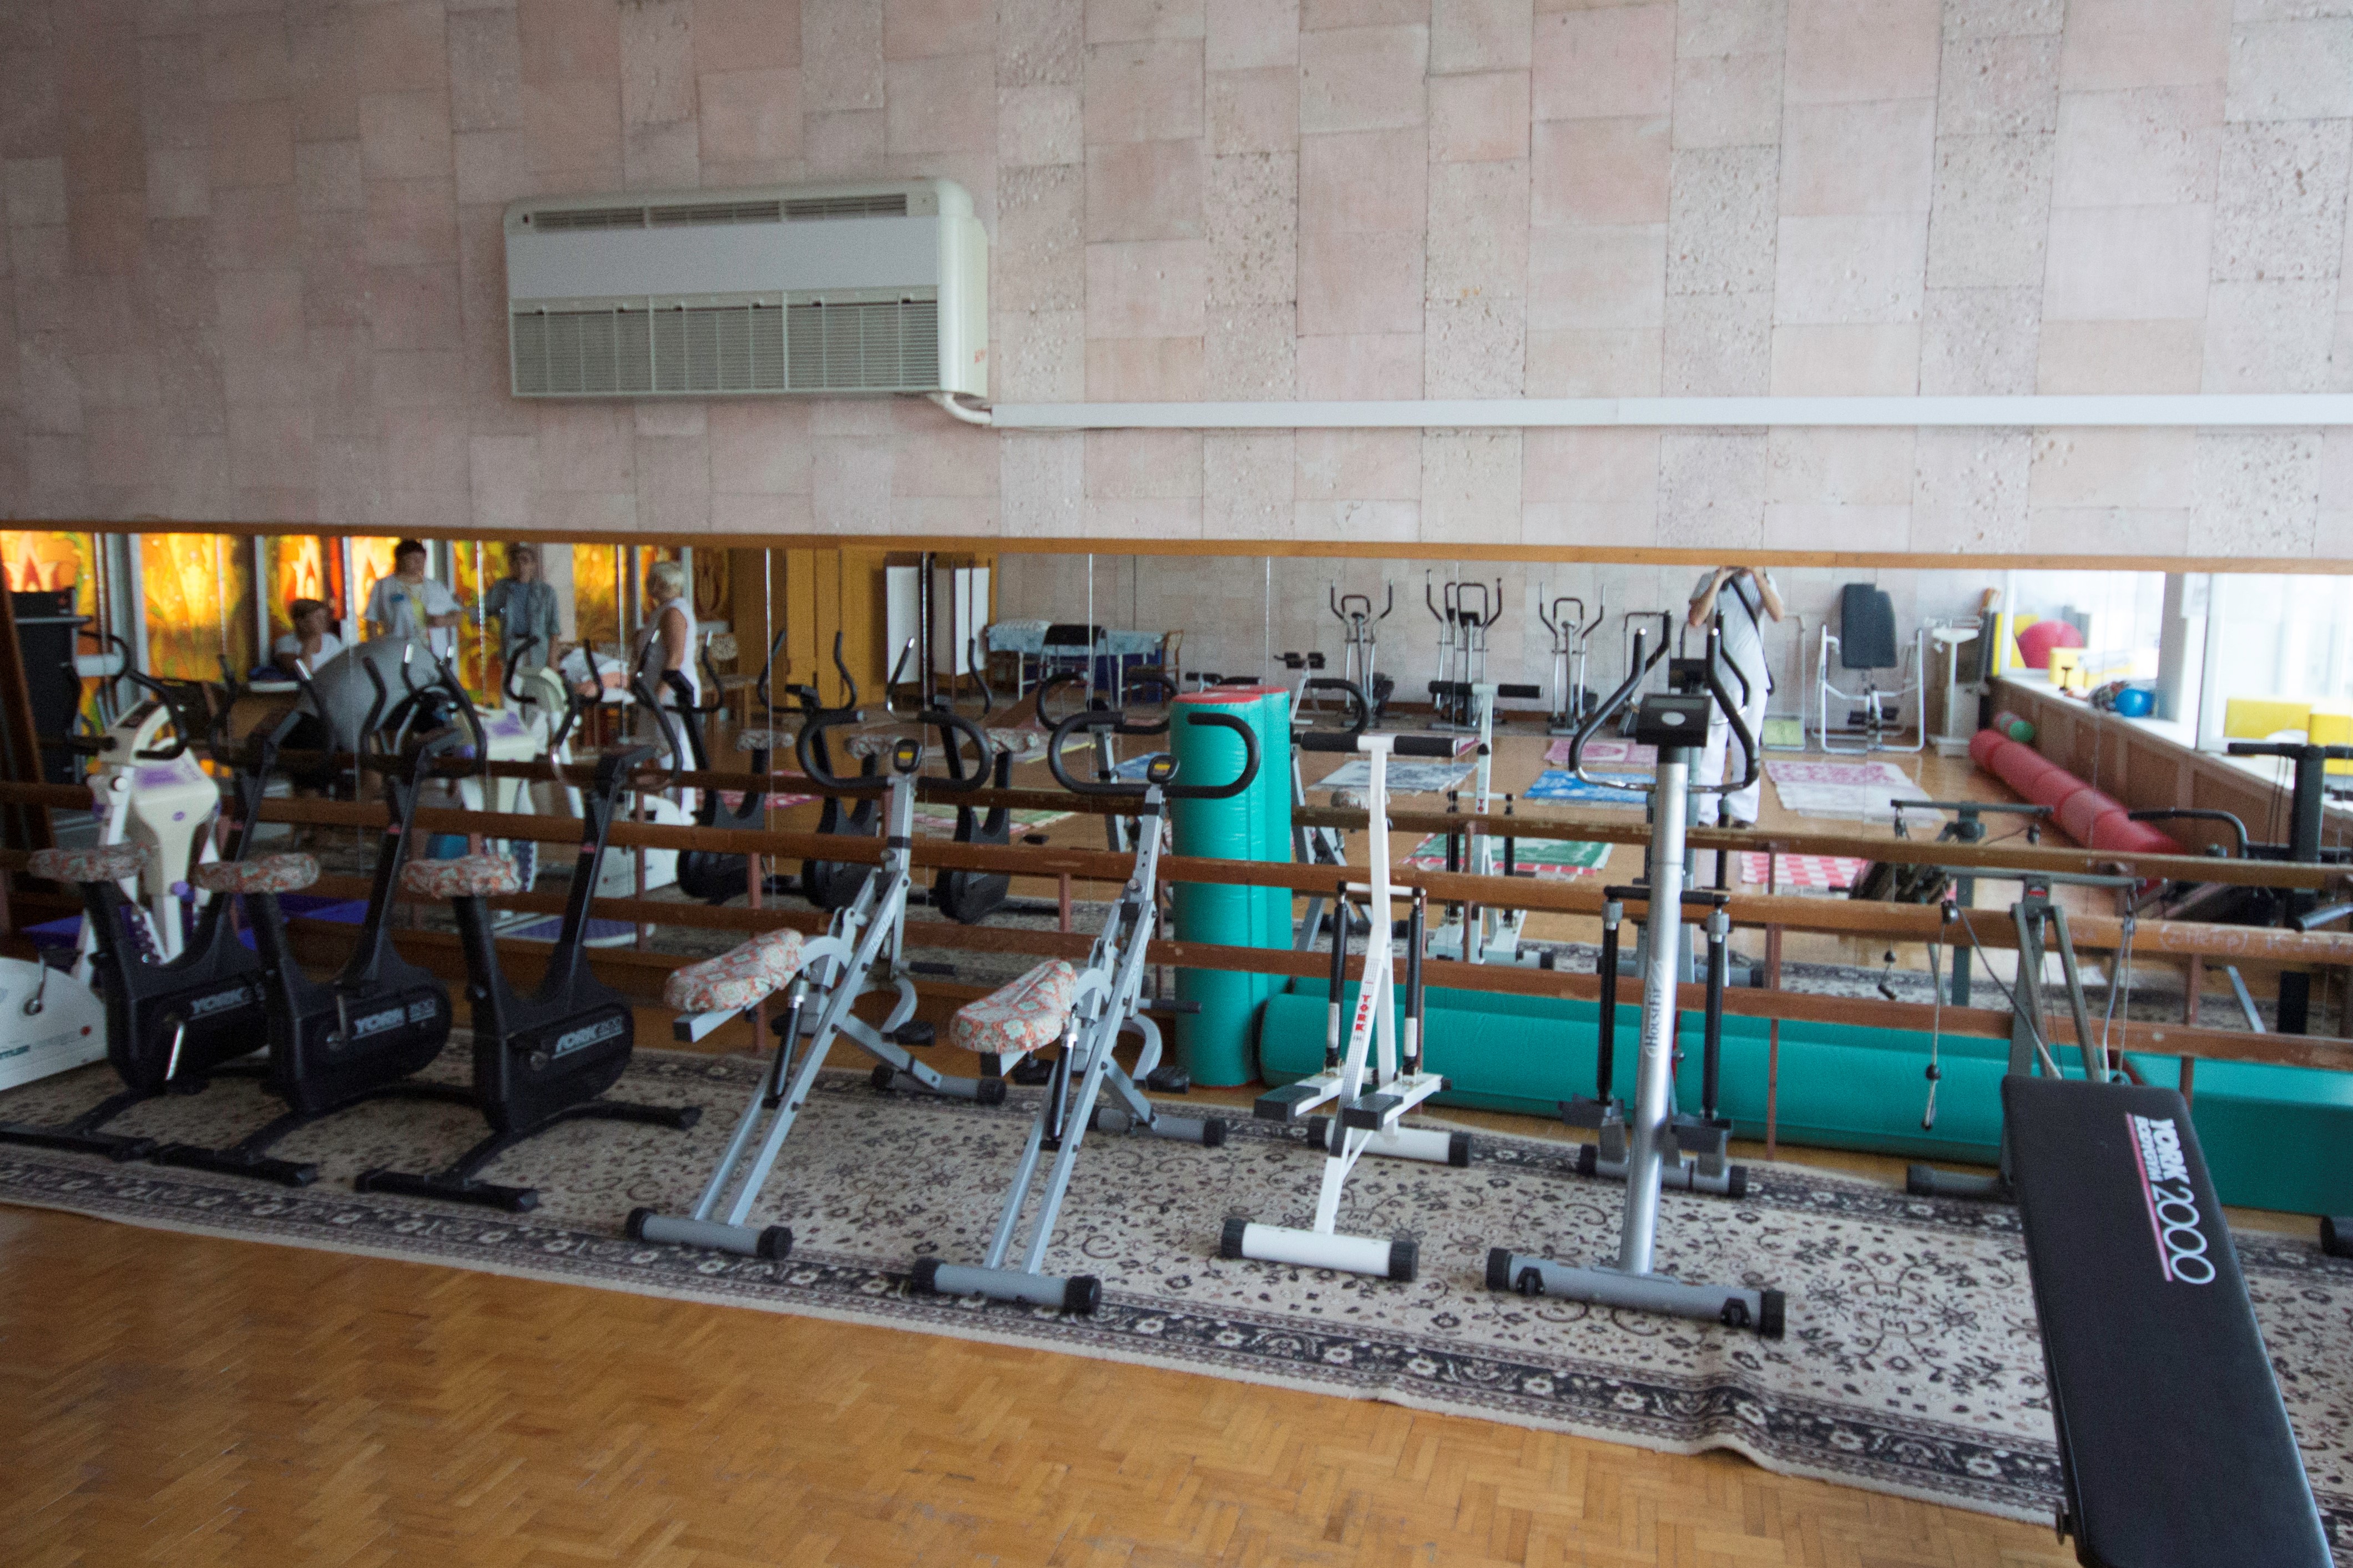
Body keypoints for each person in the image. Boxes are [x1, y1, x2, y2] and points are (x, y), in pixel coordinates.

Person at [1687, 565, 1783, 828]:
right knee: (1710, 748)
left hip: (1753, 680)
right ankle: (1704, 813)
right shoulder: (1709, 580)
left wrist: (1758, 576)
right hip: (1717, 678)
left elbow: (1778, 614)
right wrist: (1720, 578)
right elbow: (1696, 619)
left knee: (1747, 748)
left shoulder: (1766, 580)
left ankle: (1744, 815)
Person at [363, 539, 463, 658]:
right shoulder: (384, 586)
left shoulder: (435, 587)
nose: (418, 563)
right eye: (413, 559)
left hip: (433, 653)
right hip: (397, 651)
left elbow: (457, 614)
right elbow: (372, 620)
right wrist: (376, 649)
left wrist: (444, 621)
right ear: (400, 560)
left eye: (422, 559)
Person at [479, 543, 561, 674]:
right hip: (512, 646)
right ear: (511, 566)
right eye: (516, 562)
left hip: (537, 648)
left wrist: (552, 658)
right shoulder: (502, 589)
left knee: (535, 684)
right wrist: (461, 610)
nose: (521, 566)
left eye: (525, 561)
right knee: (512, 683)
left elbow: (554, 628)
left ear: (533, 565)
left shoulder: (545, 592)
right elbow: (483, 610)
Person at [272, 598, 344, 679]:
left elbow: (342, 670)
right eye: (318, 618)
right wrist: (310, 640)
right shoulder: (285, 642)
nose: (323, 621)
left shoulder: (332, 641)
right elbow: (302, 673)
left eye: (324, 618)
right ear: (301, 621)